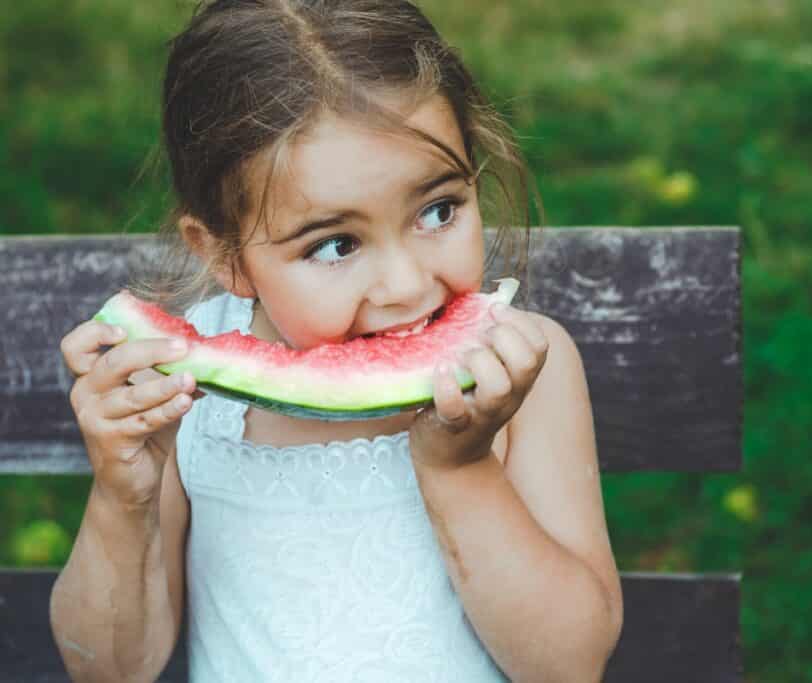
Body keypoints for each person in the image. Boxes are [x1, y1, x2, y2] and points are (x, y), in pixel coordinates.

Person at [50, 1, 623, 681]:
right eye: (336, 245)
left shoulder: (525, 368)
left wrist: (460, 468)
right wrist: (124, 498)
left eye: (439, 210)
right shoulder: (186, 387)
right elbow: (110, 668)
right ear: (224, 255)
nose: (407, 284)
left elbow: (571, 663)